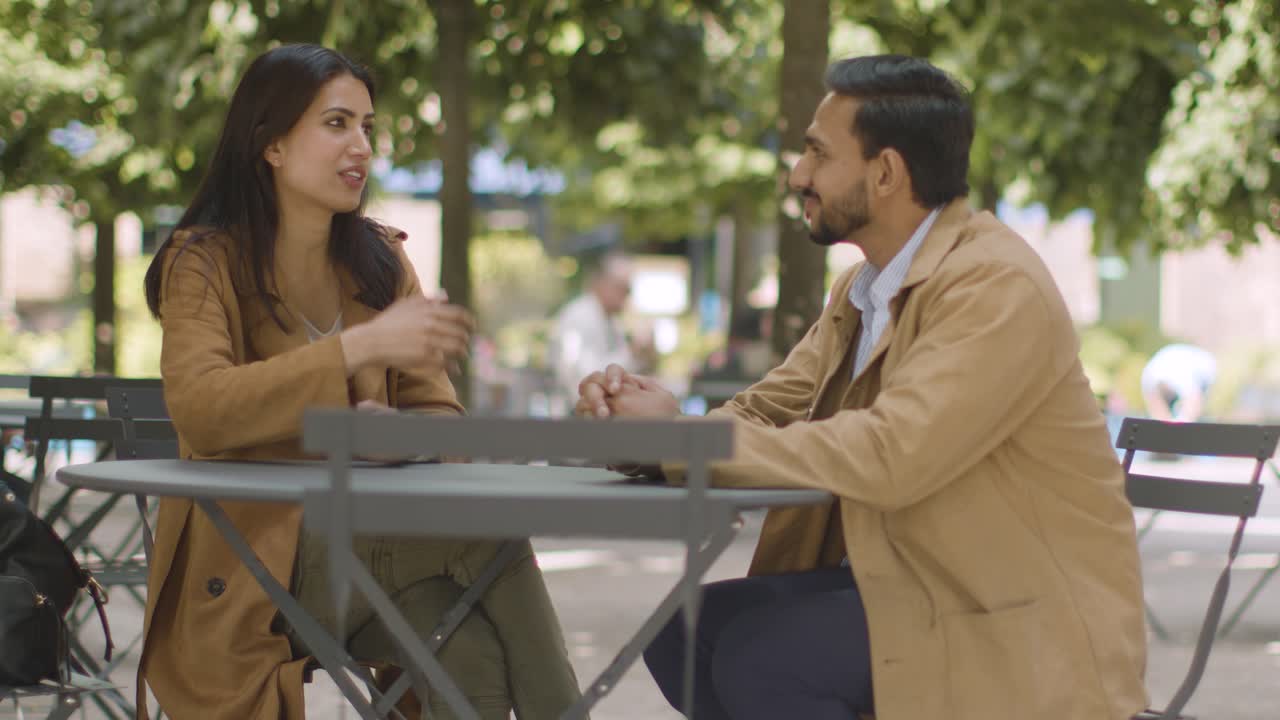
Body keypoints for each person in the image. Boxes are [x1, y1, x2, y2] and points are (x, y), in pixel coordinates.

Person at [575, 55, 1147, 720]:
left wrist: (681, 442)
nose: (798, 175)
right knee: (684, 634)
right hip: (910, 589)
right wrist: (652, 424)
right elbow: (767, 410)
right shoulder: (863, 290)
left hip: (1016, 622)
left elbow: (890, 454)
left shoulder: (995, 285)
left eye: (819, 153)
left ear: (885, 173)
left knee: (764, 660)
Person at [140, 45, 580, 720]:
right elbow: (202, 411)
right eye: (337, 123)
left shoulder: (381, 260)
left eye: (368, 127)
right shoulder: (202, 262)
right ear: (272, 144)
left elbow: (443, 422)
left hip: (374, 555)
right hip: (256, 569)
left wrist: (398, 441)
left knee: (465, 651)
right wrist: (355, 351)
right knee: (492, 530)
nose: (362, 147)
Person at [549, 252, 653, 402]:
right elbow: (586, 377)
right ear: (602, 283)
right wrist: (632, 353)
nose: (627, 295)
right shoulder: (580, 316)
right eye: (623, 288)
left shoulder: (610, 320)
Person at [1141, 342, 1217, 423]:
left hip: (1205, 365)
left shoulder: (1181, 375)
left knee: (1191, 415)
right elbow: (1156, 410)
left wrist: (1183, 420)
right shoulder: (1148, 379)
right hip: (1172, 356)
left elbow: (1195, 401)